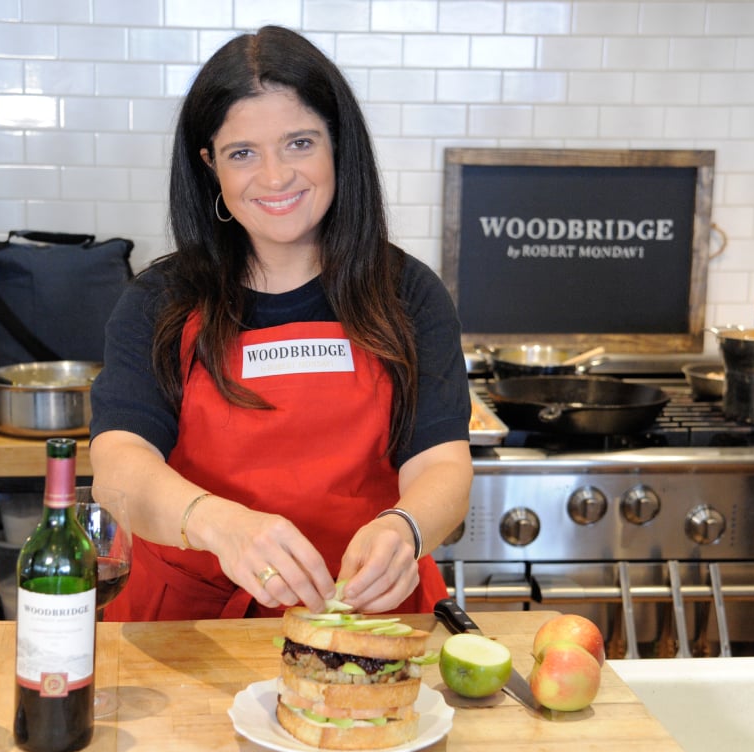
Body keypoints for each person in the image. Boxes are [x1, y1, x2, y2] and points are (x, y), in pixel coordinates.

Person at [88, 25, 472, 621]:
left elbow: (442, 464)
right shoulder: (159, 301)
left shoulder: (409, 294)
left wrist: (407, 528)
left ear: (337, 146)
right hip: (190, 630)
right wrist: (217, 523)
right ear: (210, 164)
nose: (275, 177)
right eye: (243, 153)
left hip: (367, 618)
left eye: (299, 143)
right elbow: (119, 463)